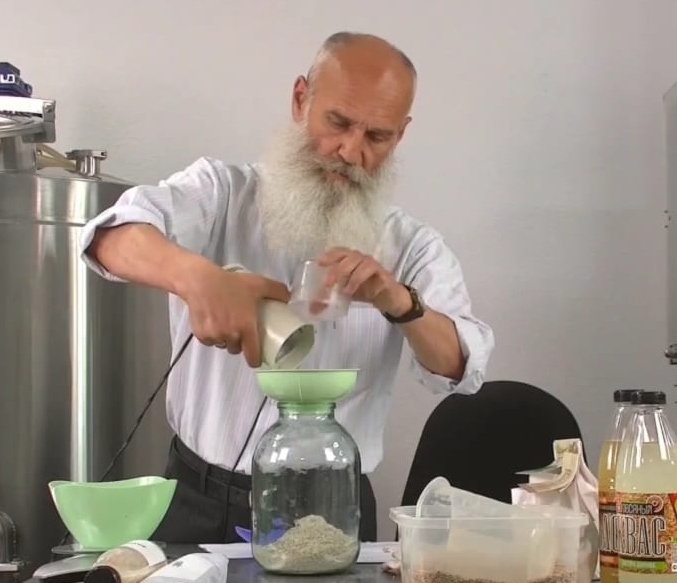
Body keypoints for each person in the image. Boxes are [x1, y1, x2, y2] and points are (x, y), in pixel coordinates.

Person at [78, 31, 495, 543]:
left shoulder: (412, 247)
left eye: (377, 137)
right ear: (301, 99)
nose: (351, 151)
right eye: (338, 123)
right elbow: (109, 236)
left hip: (332, 503)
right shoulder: (222, 194)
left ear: (400, 135)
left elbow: (462, 367)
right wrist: (198, 278)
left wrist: (399, 302)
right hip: (197, 496)